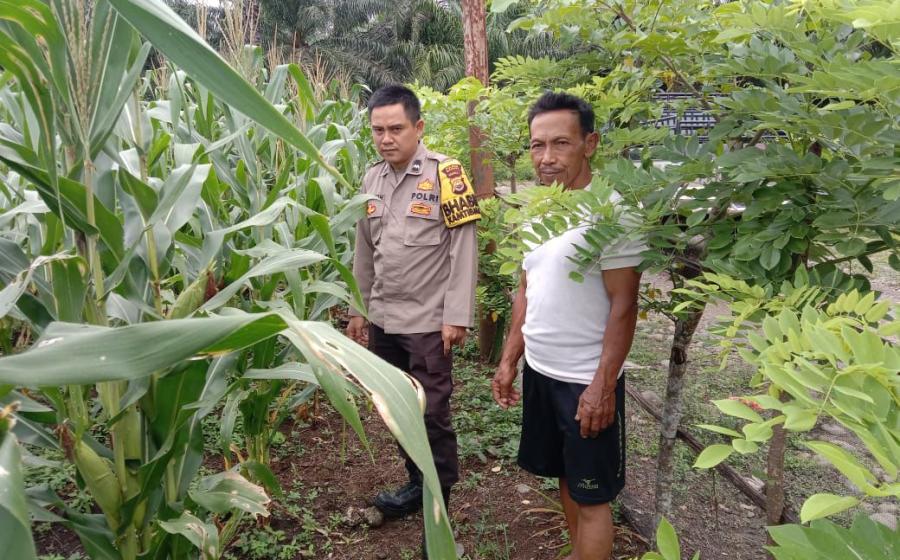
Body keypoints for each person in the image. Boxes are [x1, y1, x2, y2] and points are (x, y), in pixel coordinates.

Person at [492, 92, 644, 560]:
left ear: (589, 144)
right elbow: (527, 287)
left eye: (560, 143)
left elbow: (624, 306)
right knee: (565, 477)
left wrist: (601, 386)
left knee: (593, 498)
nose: (547, 157)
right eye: (537, 145)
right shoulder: (539, 209)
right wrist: (510, 358)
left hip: (584, 380)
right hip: (541, 371)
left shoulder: (613, 214)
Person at [346, 85, 480, 525]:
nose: (386, 139)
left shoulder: (447, 174)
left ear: (418, 127)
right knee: (396, 409)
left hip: (428, 323)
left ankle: (439, 503)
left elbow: (464, 249)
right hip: (384, 319)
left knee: (433, 414)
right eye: (378, 130)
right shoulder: (372, 179)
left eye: (396, 129)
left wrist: (456, 317)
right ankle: (416, 482)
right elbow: (365, 250)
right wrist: (358, 309)